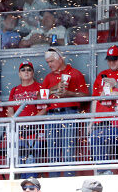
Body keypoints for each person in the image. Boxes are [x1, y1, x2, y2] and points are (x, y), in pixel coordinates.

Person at [41, 47, 87, 176]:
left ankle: (69, 180)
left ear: (60, 59)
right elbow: (39, 98)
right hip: (52, 113)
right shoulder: (48, 77)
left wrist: (69, 94)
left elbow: (86, 96)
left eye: (51, 61)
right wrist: (53, 88)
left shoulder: (75, 73)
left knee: (69, 150)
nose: (49, 65)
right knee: (52, 151)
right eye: (48, 62)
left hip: (70, 112)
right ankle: (54, 182)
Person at [8, 61, 47, 178]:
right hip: (19, 132)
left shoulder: (41, 87)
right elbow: (10, 110)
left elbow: (45, 108)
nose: (26, 72)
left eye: (29, 69)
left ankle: (31, 185)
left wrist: (32, 120)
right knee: (19, 160)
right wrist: (15, 120)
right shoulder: (14, 90)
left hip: (35, 131)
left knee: (32, 160)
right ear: (19, 74)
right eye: (23, 70)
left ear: (33, 73)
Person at [89, 45, 118, 167]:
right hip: (102, 119)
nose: (111, 63)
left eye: (114, 59)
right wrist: (91, 121)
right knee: (98, 147)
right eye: (109, 59)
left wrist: (117, 84)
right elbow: (95, 99)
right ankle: (102, 173)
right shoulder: (102, 75)